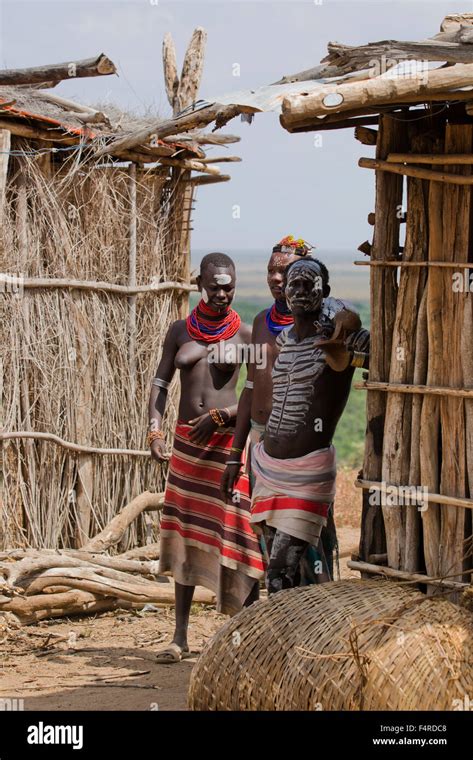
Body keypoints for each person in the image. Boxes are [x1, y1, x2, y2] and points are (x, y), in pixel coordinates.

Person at [227, 255, 369, 595]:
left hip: (306, 473)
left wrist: (358, 339)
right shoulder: (284, 341)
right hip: (267, 466)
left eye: (310, 284)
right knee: (279, 574)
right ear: (285, 293)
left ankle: (284, 642)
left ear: (325, 291)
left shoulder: (339, 341)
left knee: (279, 571)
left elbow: (370, 352)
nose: (302, 291)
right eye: (296, 284)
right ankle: (291, 640)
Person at [148, 252, 264, 662]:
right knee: (183, 532)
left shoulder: (247, 336)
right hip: (186, 445)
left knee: (235, 531)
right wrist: (155, 429)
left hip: (227, 447)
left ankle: (244, 636)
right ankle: (180, 637)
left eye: (228, 286)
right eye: (214, 286)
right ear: (199, 283)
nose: (221, 294)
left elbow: (259, 395)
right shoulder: (180, 330)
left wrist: (221, 416)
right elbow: (161, 383)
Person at [221, 236, 337, 583]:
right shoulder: (260, 323)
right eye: (272, 270)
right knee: (271, 541)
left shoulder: (323, 327)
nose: (275, 278)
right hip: (261, 447)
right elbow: (250, 389)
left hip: (302, 451)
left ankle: (319, 615)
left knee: (309, 543)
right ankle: (284, 617)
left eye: (284, 271)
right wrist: (235, 455)